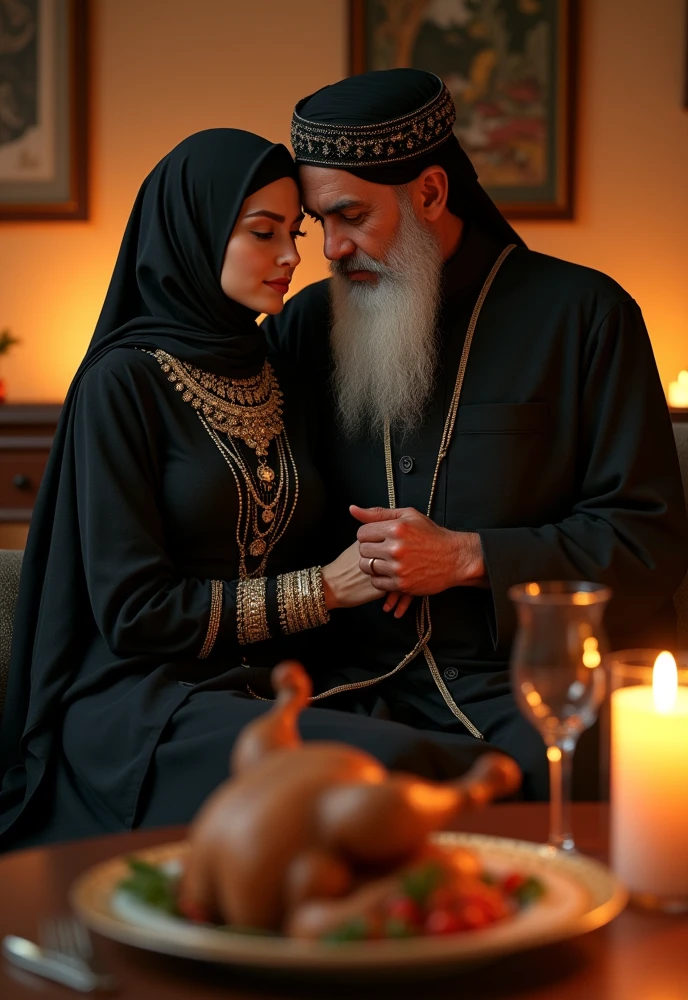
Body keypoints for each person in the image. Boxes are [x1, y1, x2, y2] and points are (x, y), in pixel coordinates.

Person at [1, 129, 498, 851]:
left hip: (274, 685)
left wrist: (394, 561)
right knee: (386, 774)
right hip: (149, 704)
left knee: (445, 760)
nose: (296, 256)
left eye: (293, 232)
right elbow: (134, 612)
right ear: (194, 232)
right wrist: (324, 589)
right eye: (263, 233)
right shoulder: (123, 383)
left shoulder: (275, 367)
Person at [263, 69, 688, 800]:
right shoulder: (305, 329)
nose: (329, 249)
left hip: (527, 688)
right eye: (318, 222)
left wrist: (468, 556)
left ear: (429, 193)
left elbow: (647, 540)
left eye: (353, 217)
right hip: (356, 692)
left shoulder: (584, 315)